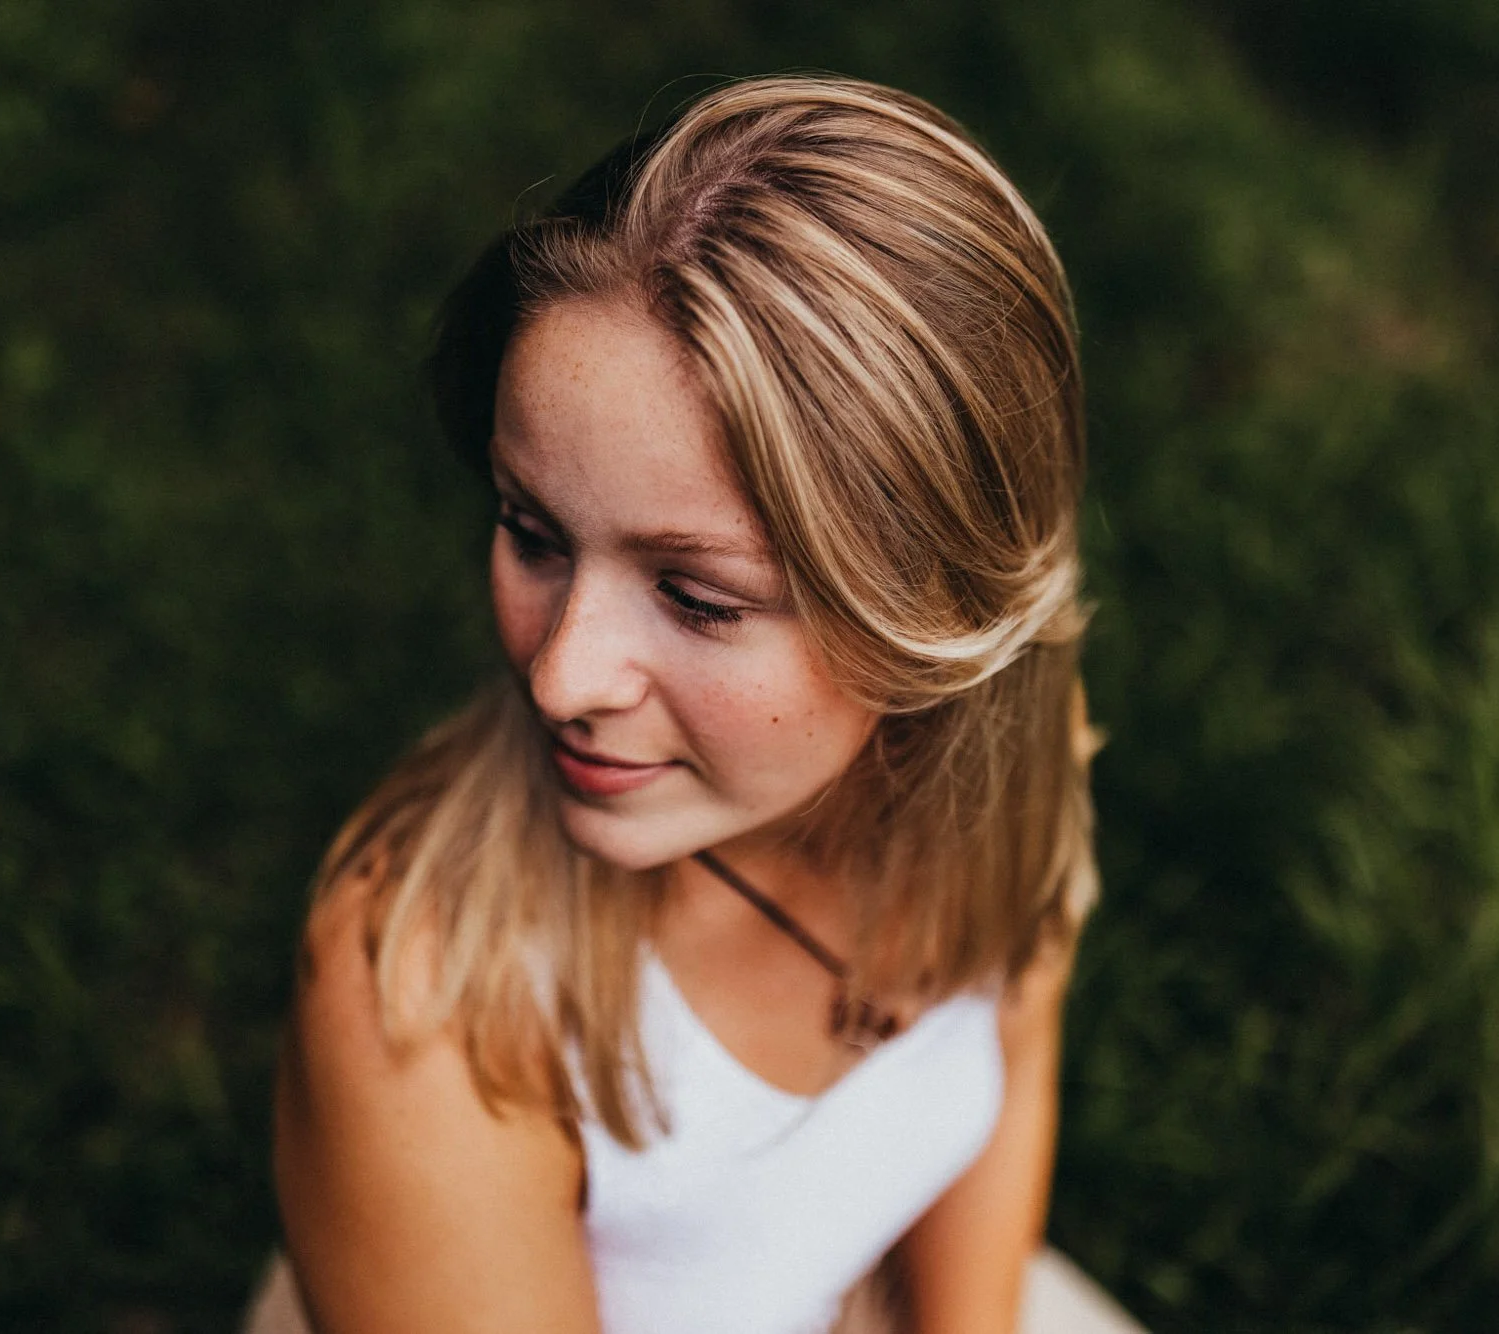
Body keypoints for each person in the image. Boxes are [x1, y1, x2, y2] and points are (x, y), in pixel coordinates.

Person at [255, 74, 1143, 1334]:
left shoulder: (1006, 751)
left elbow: (1016, 1042)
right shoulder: (427, 1004)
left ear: (932, 622)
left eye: (699, 597)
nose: (559, 677)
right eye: (530, 529)